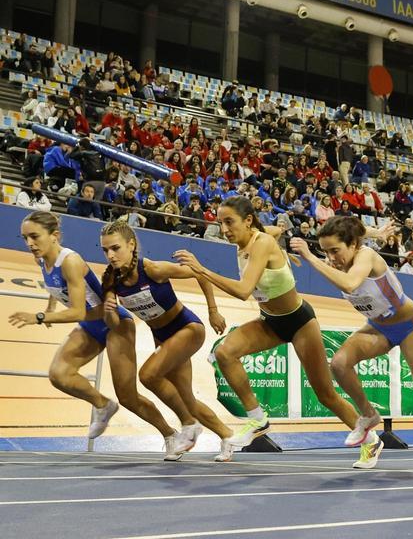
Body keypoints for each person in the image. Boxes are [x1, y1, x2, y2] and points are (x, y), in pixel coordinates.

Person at [172, 196, 366, 466]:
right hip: (270, 322)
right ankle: (257, 419)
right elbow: (277, 229)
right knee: (225, 353)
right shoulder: (252, 239)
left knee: (326, 395)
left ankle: (371, 441)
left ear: (248, 220)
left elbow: (243, 291)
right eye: (220, 223)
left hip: (299, 322)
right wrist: (284, 255)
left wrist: (201, 270)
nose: (225, 229)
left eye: (230, 222)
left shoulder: (260, 242)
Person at [288, 216, 413, 473]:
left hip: (409, 326)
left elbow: (351, 283)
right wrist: (376, 232)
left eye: (335, 251)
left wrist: (310, 257)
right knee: (340, 363)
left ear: (353, 244)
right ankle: (368, 415)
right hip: (378, 327)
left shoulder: (366, 257)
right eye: (325, 252)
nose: (331, 258)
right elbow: (358, 231)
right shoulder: (345, 255)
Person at [7, 212, 184, 456]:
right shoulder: (42, 259)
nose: (29, 243)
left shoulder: (70, 261)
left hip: (115, 325)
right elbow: (56, 288)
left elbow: (78, 311)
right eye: (25, 237)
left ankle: (170, 434)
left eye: (35, 237)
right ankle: (103, 404)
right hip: (91, 325)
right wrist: (50, 307)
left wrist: (40, 317)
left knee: (128, 397)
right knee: (59, 374)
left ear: (54, 236)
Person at [98, 221, 248, 461]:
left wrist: (212, 310)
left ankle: (189, 426)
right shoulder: (111, 281)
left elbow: (199, 273)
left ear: (131, 244)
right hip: (163, 339)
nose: (110, 255)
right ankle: (227, 436)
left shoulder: (153, 269)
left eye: (115, 248)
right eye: (105, 250)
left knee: (148, 375)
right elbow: (113, 323)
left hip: (188, 329)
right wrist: (108, 310)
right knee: (186, 398)